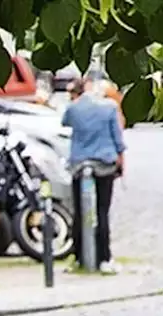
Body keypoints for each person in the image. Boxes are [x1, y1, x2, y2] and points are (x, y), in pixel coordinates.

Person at [61, 75, 126, 274]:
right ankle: (104, 257)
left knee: (80, 212)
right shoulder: (109, 107)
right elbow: (118, 139)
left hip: (80, 164)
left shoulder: (74, 108)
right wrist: (121, 162)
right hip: (104, 163)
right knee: (102, 211)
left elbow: (65, 123)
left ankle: (79, 255)